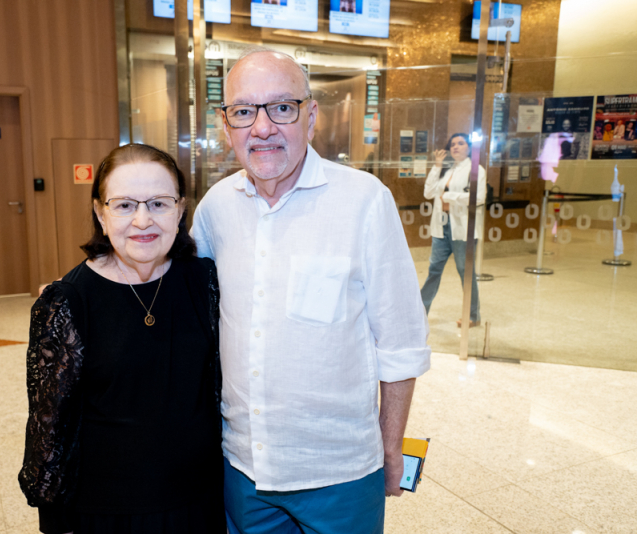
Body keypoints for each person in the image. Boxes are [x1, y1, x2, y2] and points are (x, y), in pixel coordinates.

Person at [193, 47, 430, 534]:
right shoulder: (215, 208)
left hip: (341, 473)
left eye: (281, 107)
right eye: (243, 112)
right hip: (243, 470)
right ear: (226, 125)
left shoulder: (363, 201)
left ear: (311, 116)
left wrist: (390, 448)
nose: (262, 128)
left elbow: (401, 343)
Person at [19, 144, 224, 534]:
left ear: (180, 210)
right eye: (125, 205)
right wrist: (56, 519)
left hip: (198, 501)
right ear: (100, 212)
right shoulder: (68, 301)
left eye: (160, 204)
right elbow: (50, 426)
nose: (143, 220)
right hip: (107, 510)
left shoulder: (203, 280)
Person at [420, 133, 486, 328]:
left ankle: (473, 315)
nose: (455, 147)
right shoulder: (448, 171)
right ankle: (420, 312)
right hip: (442, 228)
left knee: (465, 273)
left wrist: (449, 196)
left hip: (462, 230)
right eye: (452, 144)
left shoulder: (476, 170)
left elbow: (479, 197)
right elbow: (428, 192)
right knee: (433, 271)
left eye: (460, 143)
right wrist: (437, 166)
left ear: (469, 147)